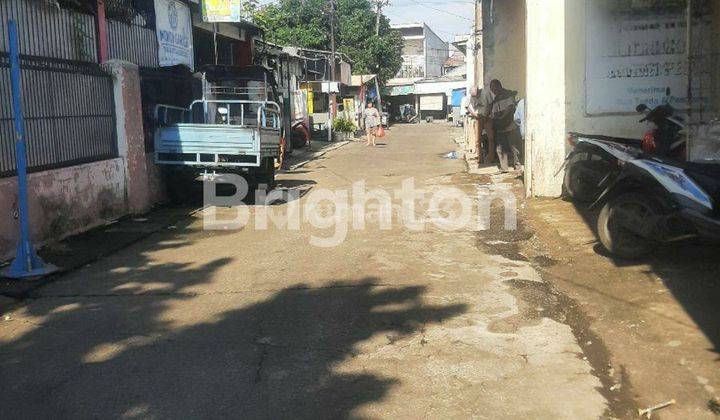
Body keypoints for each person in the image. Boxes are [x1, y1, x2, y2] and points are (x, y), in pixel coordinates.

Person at [487, 79, 522, 173]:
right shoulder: (496, 98)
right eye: (491, 89)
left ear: (499, 86)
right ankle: (504, 167)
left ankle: (518, 166)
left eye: (493, 88)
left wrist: (502, 116)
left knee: (514, 147)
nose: (492, 91)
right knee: (500, 147)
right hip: (500, 125)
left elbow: (510, 107)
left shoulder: (508, 95)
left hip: (510, 124)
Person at [466, 86, 495, 163]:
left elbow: (491, 104)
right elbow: (467, 106)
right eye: (473, 96)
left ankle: (491, 157)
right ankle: (480, 158)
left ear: (479, 91)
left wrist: (487, 115)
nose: (475, 97)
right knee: (478, 140)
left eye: (476, 95)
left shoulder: (486, 93)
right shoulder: (471, 96)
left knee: (491, 138)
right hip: (478, 118)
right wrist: (474, 114)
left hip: (487, 118)